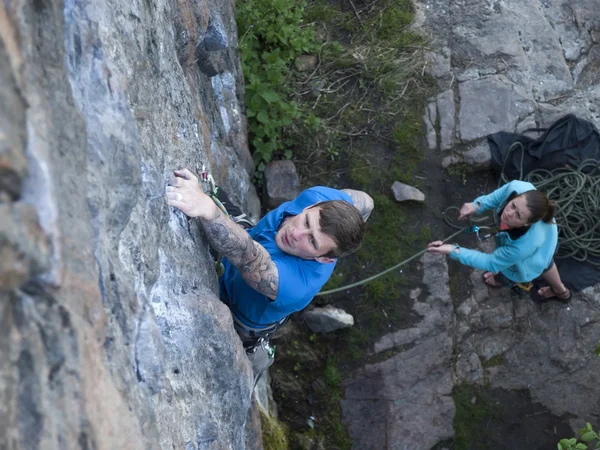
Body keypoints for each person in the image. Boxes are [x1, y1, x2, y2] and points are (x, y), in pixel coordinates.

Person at [165, 168, 373, 365]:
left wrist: (208, 208)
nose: (297, 234)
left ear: (324, 259)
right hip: (249, 239)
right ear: (312, 206)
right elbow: (366, 202)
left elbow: (249, 257)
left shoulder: (297, 284)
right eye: (307, 221)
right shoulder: (323, 198)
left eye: (312, 242)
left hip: (237, 314)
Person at [427, 180, 571, 302]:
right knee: (545, 261)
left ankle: (502, 279)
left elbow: (491, 262)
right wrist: (477, 205)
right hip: (546, 242)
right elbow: (498, 196)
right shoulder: (517, 187)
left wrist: (452, 250)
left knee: (512, 270)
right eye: (513, 205)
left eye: (518, 215)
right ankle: (561, 292)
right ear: (518, 196)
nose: (508, 213)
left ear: (527, 223)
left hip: (531, 253)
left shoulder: (522, 247)